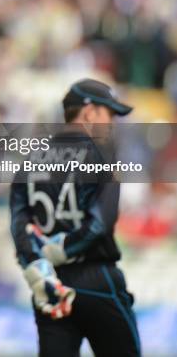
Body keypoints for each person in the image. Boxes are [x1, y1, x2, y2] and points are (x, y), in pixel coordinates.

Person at [10, 78, 141, 357]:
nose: (112, 123)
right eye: (109, 114)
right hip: (96, 278)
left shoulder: (31, 159)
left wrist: (37, 266)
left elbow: (19, 225)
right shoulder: (101, 157)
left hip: (49, 282)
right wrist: (62, 249)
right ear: (90, 111)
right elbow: (99, 225)